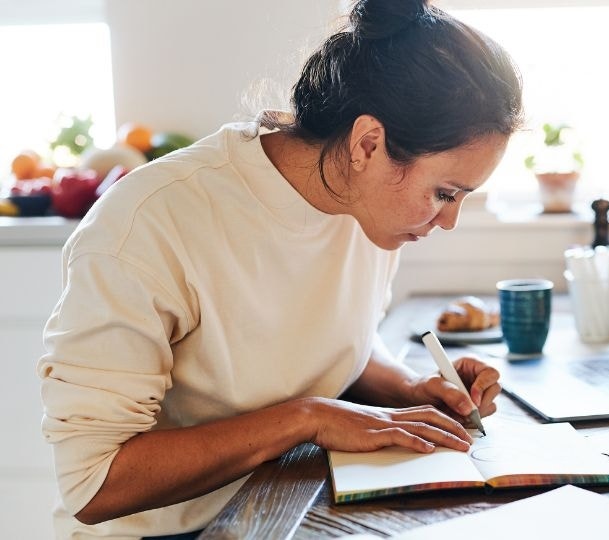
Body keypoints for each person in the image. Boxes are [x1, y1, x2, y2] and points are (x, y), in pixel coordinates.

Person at [38, 0, 523, 538]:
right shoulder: (148, 223)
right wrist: (307, 417)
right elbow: (94, 482)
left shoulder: (366, 206)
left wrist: (410, 390)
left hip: (282, 501)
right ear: (368, 144)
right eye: (445, 193)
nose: (448, 220)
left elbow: (330, 344)